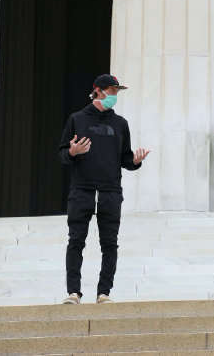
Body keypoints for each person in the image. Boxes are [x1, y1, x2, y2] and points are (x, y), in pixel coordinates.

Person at [58, 74, 150, 304]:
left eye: (117, 92)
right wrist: (72, 152)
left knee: (109, 244)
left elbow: (126, 160)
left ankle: (104, 293)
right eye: (111, 91)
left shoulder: (120, 124)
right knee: (76, 241)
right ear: (97, 91)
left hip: (110, 192)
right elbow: (62, 155)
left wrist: (136, 161)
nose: (114, 96)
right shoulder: (77, 119)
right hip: (82, 190)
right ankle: (73, 292)